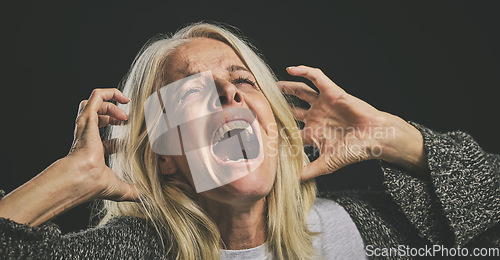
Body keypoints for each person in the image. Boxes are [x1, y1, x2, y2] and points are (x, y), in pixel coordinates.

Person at [0, 22, 498, 260]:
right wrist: (71, 177)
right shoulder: (127, 253)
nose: (227, 91)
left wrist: (393, 139)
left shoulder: (364, 231)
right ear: (166, 158)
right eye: (192, 91)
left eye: (242, 79)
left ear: (279, 130)